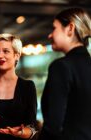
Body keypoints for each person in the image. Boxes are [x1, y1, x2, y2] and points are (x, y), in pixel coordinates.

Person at [39, 8, 91, 140]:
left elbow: (53, 126)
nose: (50, 35)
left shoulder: (61, 66)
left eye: (54, 28)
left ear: (70, 29)